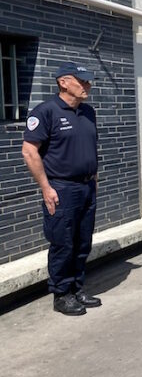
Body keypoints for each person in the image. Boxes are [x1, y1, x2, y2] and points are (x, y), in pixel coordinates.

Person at [21, 62, 101, 316]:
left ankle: (77, 287)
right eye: (82, 81)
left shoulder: (88, 112)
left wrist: (94, 179)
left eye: (88, 81)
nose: (88, 85)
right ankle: (61, 293)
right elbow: (29, 151)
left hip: (87, 186)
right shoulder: (46, 112)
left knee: (82, 241)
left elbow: (89, 148)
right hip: (61, 188)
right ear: (63, 82)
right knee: (63, 242)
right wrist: (46, 187)